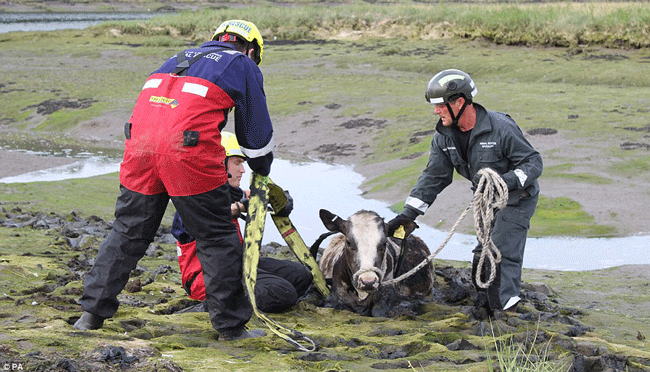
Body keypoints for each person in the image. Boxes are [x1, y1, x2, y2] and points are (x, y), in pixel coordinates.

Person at [74, 20, 275, 341]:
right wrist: (262, 168)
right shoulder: (242, 64)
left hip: (138, 146)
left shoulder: (178, 57)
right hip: (187, 150)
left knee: (127, 231)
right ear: (251, 50)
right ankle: (232, 328)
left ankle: (90, 316)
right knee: (217, 236)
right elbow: (255, 136)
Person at [391, 69, 542, 314]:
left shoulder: (501, 128)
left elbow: (534, 163)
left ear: (459, 102)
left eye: (440, 106)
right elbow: (433, 177)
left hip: (517, 200)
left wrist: (505, 182)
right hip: (487, 203)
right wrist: (408, 215)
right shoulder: (443, 137)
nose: (436, 111)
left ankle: (507, 313)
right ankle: (485, 306)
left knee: (500, 254)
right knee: (480, 258)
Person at [172, 132, 312, 313]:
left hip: (236, 265)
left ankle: (239, 301)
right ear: (219, 164)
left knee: (301, 276)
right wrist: (238, 208)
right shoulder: (192, 196)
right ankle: (211, 306)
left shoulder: (228, 192)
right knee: (283, 293)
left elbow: (251, 195)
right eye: (237, 163)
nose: (243, 170)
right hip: (207, 277)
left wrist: (280, 198)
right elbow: (209, 213)